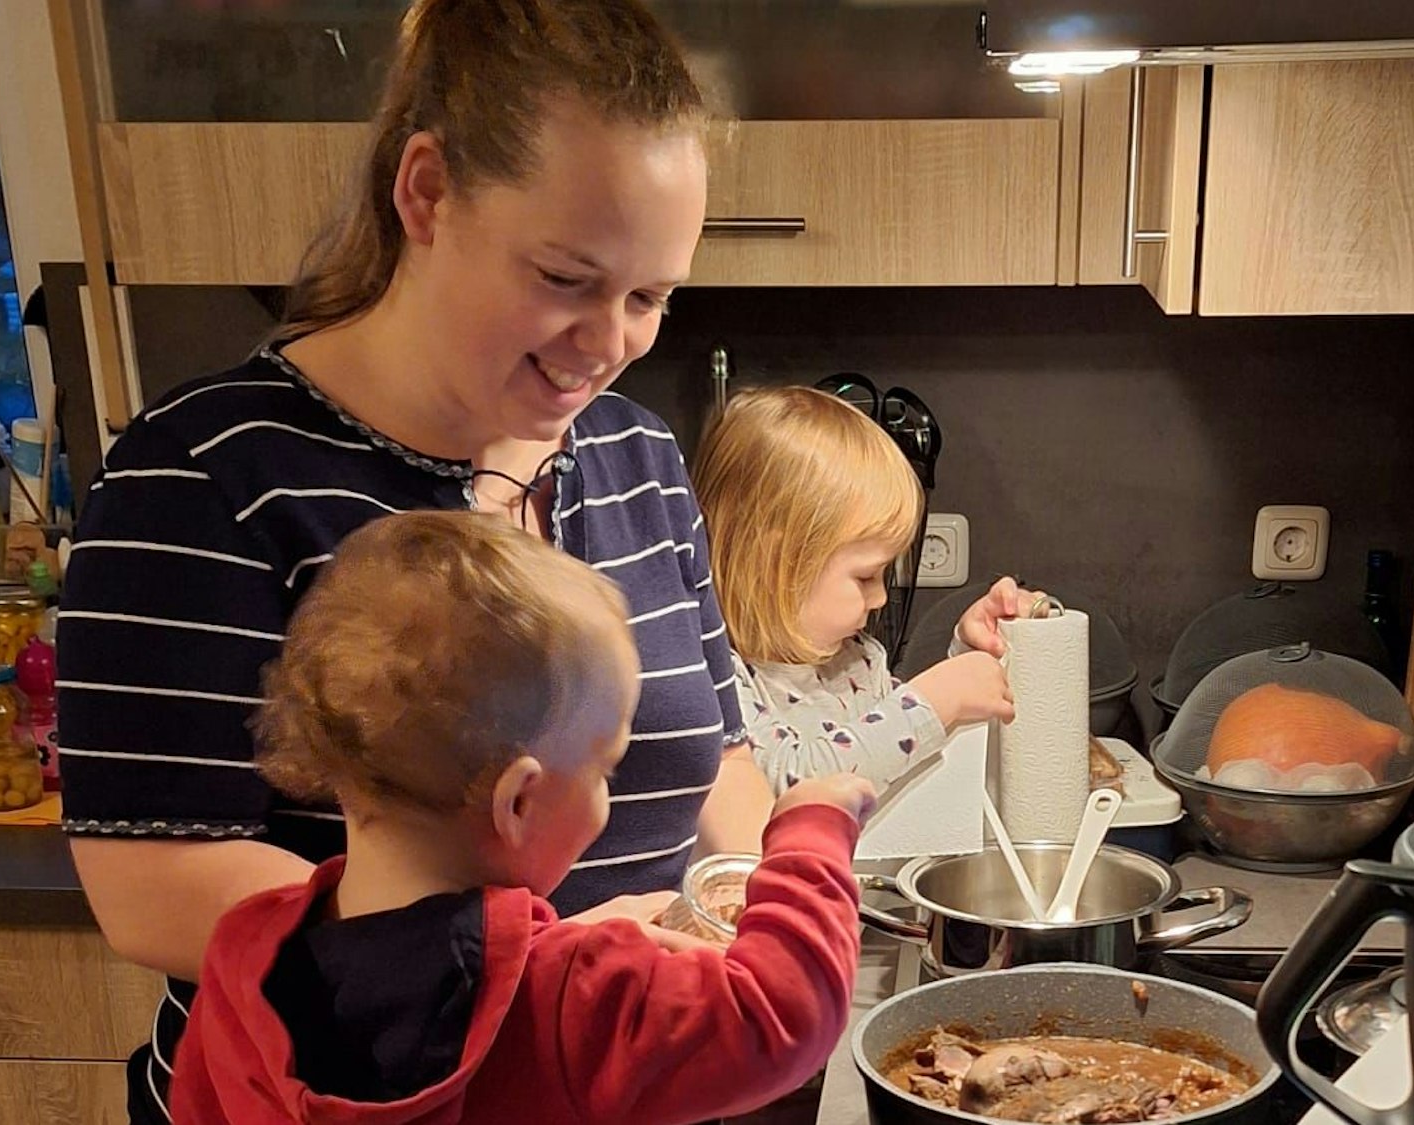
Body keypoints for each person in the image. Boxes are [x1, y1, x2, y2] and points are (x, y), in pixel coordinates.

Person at [55, 2, 770, 1117]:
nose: (609, 343)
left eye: (649, 296)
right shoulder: (202, 471)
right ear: (426, 192)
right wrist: (537, 984)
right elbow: (150, 881)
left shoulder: (637, 454)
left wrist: (751, 906)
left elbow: (715, 758)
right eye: (566, 278)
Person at [168, 512, 872, 1124]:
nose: (607, 791)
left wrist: (554, 940)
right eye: (605, 767)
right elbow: (784, 1016)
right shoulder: (572, 998)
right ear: (519, 801)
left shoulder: (243, 960)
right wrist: (811, 834)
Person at [692, 385, 1030, 793]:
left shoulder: (856, 661)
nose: (881, 598)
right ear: (776, 564)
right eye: (866, 576)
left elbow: (895, 749)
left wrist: (969, 656)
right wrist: (938, 698)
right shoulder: (718, 677)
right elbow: (790, 780)